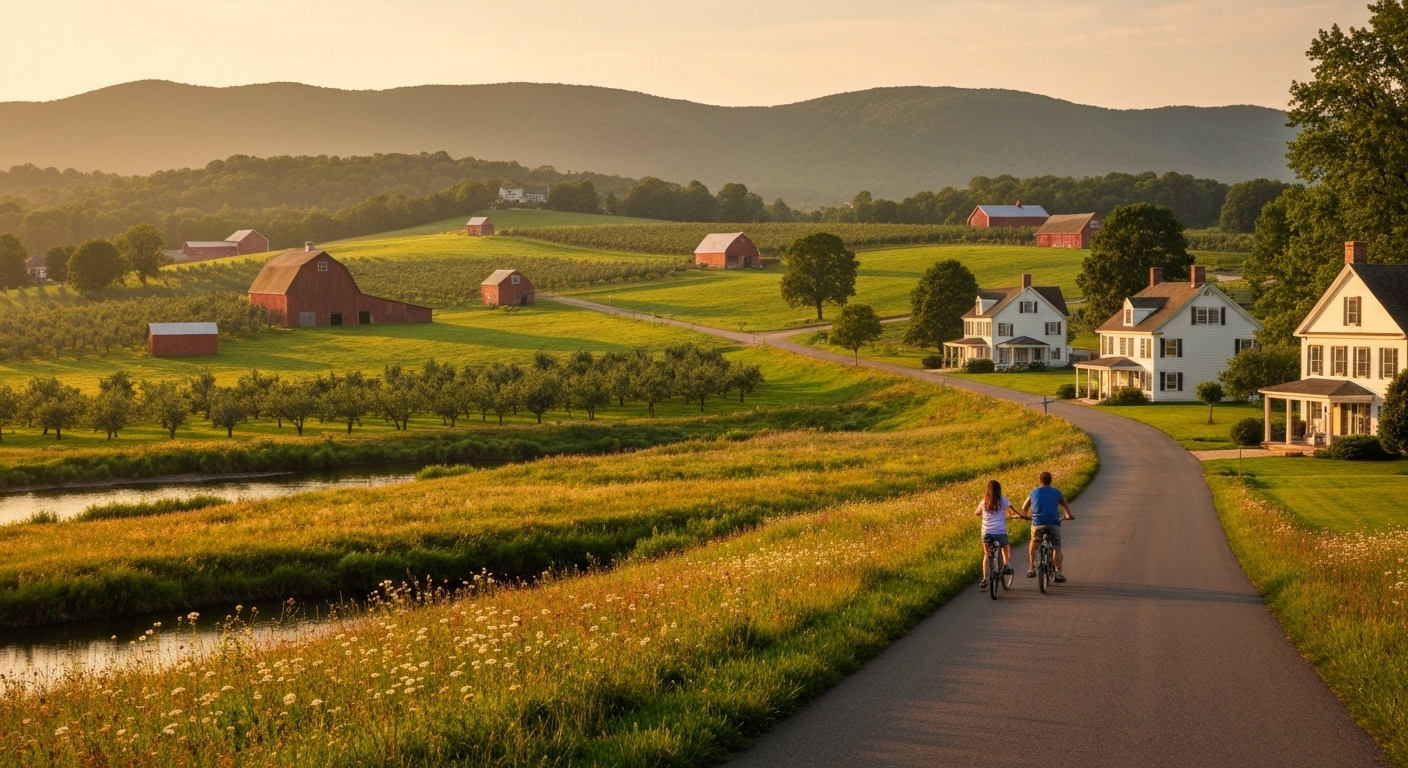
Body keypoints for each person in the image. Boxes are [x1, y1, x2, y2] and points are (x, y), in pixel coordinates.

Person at [1020, 471, 1075, 582]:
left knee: (1033, 543)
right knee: (1057, 547)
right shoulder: (1057, 492)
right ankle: (1058, 573)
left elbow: (1024, 508)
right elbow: (1065, 506)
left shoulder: (1033, 492)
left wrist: (1025, 515)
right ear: (1050, 481)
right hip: (1053, 523)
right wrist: (1068, 515)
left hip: (1038, 523)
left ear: (1040, 480)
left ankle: (1031, 568)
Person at [974, 479, 1017, 589]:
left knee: (987, 554)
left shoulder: (984, 501)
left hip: (987, 532)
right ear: (999, 490)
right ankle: (1006, 564)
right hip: (1000, 531)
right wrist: (1019, 515)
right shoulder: (1003, 500)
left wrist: (979, 513)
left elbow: (977, 513)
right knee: (1005, 546)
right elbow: (1013, 511)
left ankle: (984, 579)